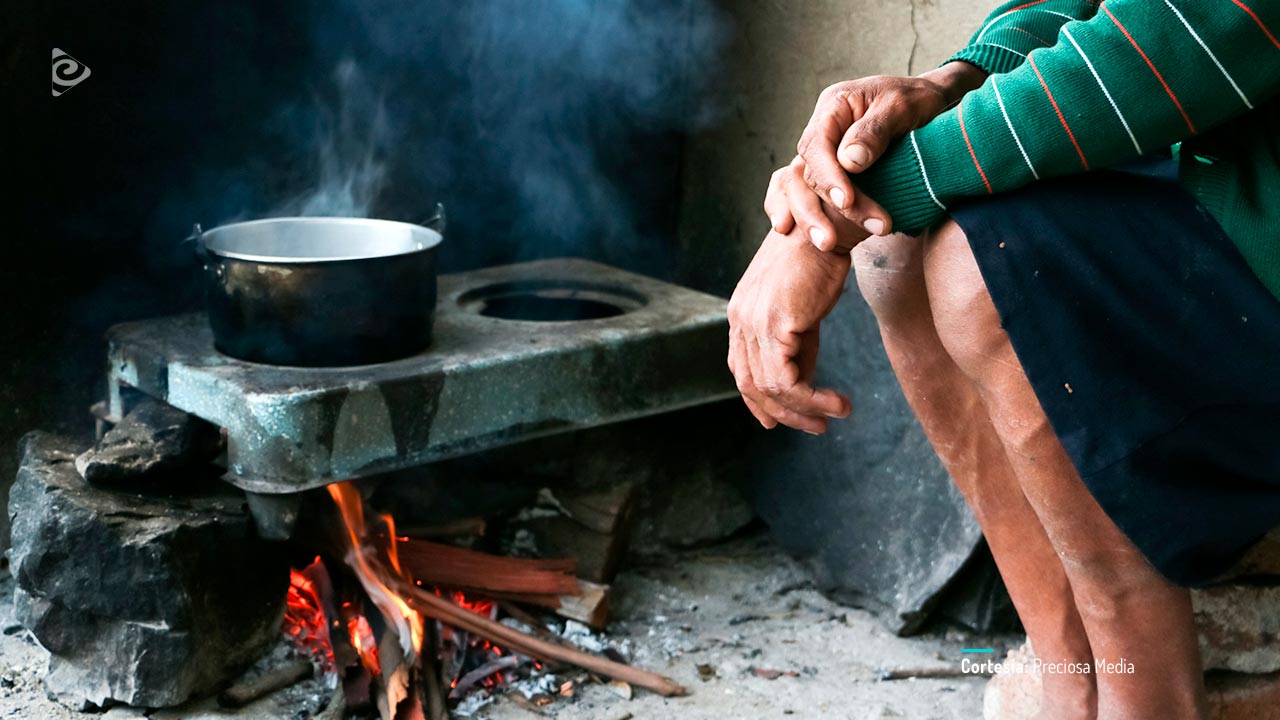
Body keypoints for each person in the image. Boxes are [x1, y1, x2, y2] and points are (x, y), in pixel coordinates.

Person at [726, 0, 1280, 717]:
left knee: (979, 264)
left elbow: (1193, 30)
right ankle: (1070, 678)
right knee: (896, 251)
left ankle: (1151, 698)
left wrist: (833, 216)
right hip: (1233, 188)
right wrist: (957, 78)